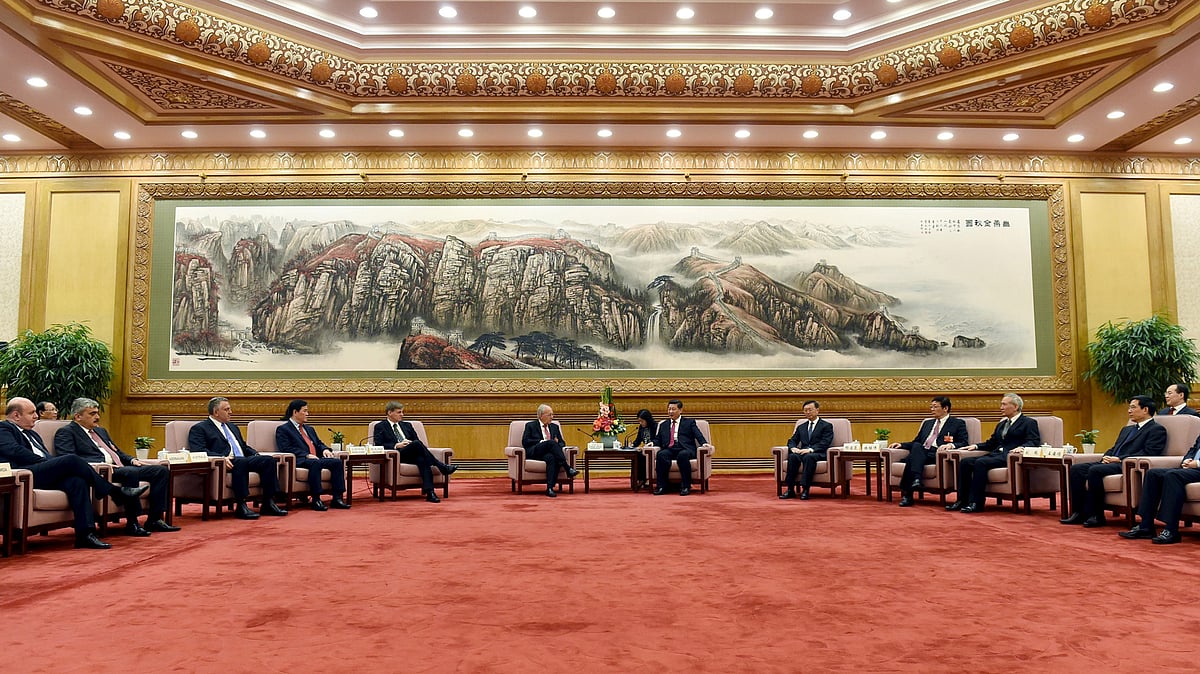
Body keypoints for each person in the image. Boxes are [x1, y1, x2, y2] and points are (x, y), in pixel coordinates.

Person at [0, 397, 148, 549]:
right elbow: (15, 451)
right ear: (16, 415)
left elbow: (46, 456)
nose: (36, 416)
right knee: (71, 459)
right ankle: (114, 492)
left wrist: (52, 464)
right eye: (31, 413)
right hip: (24, 474)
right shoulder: (4, 428)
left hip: (42, 473)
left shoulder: (32, 434)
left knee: (77, 481)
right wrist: (49, 463)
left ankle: (85, 534)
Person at [53, 397, 180, 536]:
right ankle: (133, 523)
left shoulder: (100, 431)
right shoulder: (66, 432)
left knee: (160, 471)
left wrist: (132, 460)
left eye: (97, 413)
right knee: (130, 472)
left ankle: (155, 519)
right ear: (78, 416)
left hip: (120, 468)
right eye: (92, 414)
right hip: (101, 471)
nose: (97, 417)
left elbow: (116, 452)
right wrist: (103, 463)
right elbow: (69, 458)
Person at [1062, 395, 1166, 527]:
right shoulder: (1127, 429)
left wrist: (1120, 459)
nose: (1129, 410)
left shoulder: (1156, 429)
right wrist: (1106, 457)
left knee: (1095, 470)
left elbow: (1149, 452)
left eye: (1133, 407)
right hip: (1112, 462)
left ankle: (1097, 515)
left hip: (1127, 465)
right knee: (1077, 469)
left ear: (1145, 409)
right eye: (1129, 407)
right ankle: (1079, 512)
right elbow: (1115, 448)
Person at [186, 396, 288, 519]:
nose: (231, 412)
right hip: (225, 463)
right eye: (227, 409)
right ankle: (241, 505)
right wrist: (221, 457)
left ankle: (268, 502)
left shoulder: (232, 427)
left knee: (268, 460)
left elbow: (243, 447)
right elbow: (199, 450)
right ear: (216, 412)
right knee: (241, 462)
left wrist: (255, 454)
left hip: (241, 460)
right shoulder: (200, 428)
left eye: (230, 409)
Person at [947, 392, 1041, 513]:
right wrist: (975, 446)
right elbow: (992, 443)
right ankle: (962, 500)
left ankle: (976, 503)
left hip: (1010, 456)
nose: (1001, 407)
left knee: (981, 463)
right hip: (996, 455)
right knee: (965, 462)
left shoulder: (1028, 422)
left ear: (1015, 407)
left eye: (1004, 404)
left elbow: (1034, 441)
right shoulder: (1002, 424)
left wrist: (1022, 447)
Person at [1119, 434, 1200, 544]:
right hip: (1192, 469)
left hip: (1197, 468)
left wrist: (1197, 463)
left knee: (1173, 476)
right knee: (1153, 474)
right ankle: (1145, 526)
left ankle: (1171, 530)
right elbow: (1193, 449)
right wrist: (1187, 460)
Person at [890, 396, 970, 507]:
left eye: (935, 407)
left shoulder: (957, 423)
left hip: (937, 454)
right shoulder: (927, 423)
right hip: (922, 452)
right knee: (917, 448)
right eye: (931, 407)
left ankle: (908, 495)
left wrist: (951, 445)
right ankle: (916, 480)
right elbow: (917, 442)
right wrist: (902, 445)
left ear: (945, 408)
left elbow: (964, 442)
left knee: (911, 459)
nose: (932, 409)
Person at [372, 401, 457, 503]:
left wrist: (409, 443)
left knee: (422, 459)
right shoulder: (380, 426)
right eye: (399, 412)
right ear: (390, 413)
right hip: (396, 456)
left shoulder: (407, 425)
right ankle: (441, 466)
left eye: (402, 412)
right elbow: (378, 444)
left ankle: (430, 493)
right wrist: (396, 445)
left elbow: (417, 441)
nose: (402, 415)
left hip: (412, 453)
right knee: (417, 446)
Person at [275, 399, 350, 511]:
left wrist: (325, 449)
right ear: (295, 412)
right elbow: (286, 448)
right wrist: (306, 455)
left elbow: (318, 443)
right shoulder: (283, 429)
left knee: (336, 462)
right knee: (315, 463)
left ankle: (337, 498)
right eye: (304, 411)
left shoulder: (309, 429)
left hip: (315, 459)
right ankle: (316, 499)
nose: (307, 414)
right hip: (299, 460)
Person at [780, 400, 834, 500]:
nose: (808, 412)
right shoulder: (801, 427)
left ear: (817, 410)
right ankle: (790, 489)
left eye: (810, 410)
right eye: (805, 410)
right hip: (803, 452)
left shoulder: (826, 426)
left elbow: (825, 442)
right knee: (793, 457)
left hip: (818, 453)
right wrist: (793, 448)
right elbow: (792, 440)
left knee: (809, 457)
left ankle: (805, 489)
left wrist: (811, 449)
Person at [521, 404, 578, 498]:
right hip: (535, 451)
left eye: (552, 414)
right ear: (541, 415)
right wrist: (541, 442)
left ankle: (550, 488)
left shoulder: (554, 427)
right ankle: (567, 468)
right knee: (551, 442)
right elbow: (525, 441)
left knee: (552, 458)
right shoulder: (530, 425)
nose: (552, 417)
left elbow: (562, 443)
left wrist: (557, 444)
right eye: (549, 415)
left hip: (548, 453)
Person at [653, 399, 708, 496]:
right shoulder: (663, 424)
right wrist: (652, 443)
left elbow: (698, 434)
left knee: (683, 456)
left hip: (685, 448)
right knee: (661, 455)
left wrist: (704, 443)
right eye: (669, 409)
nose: (670, 412)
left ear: (680, 410)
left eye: (673, 409)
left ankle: (686, 486)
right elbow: (658, 439)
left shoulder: (689, 422)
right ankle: (662, 486)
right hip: (670, 448)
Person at [627, 408, 656, 490]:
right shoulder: (641, 427)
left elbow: (658, 440)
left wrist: (646, 447)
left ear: (647, 420)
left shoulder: (655, 426)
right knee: (636, 455)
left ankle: (645, 479)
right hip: (645, 450)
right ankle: (638, 479)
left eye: (642, 421)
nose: (640, 423)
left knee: (642, 456)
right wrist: (633, 445)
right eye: (639, 421)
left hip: (653, 450)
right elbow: (638, 440)